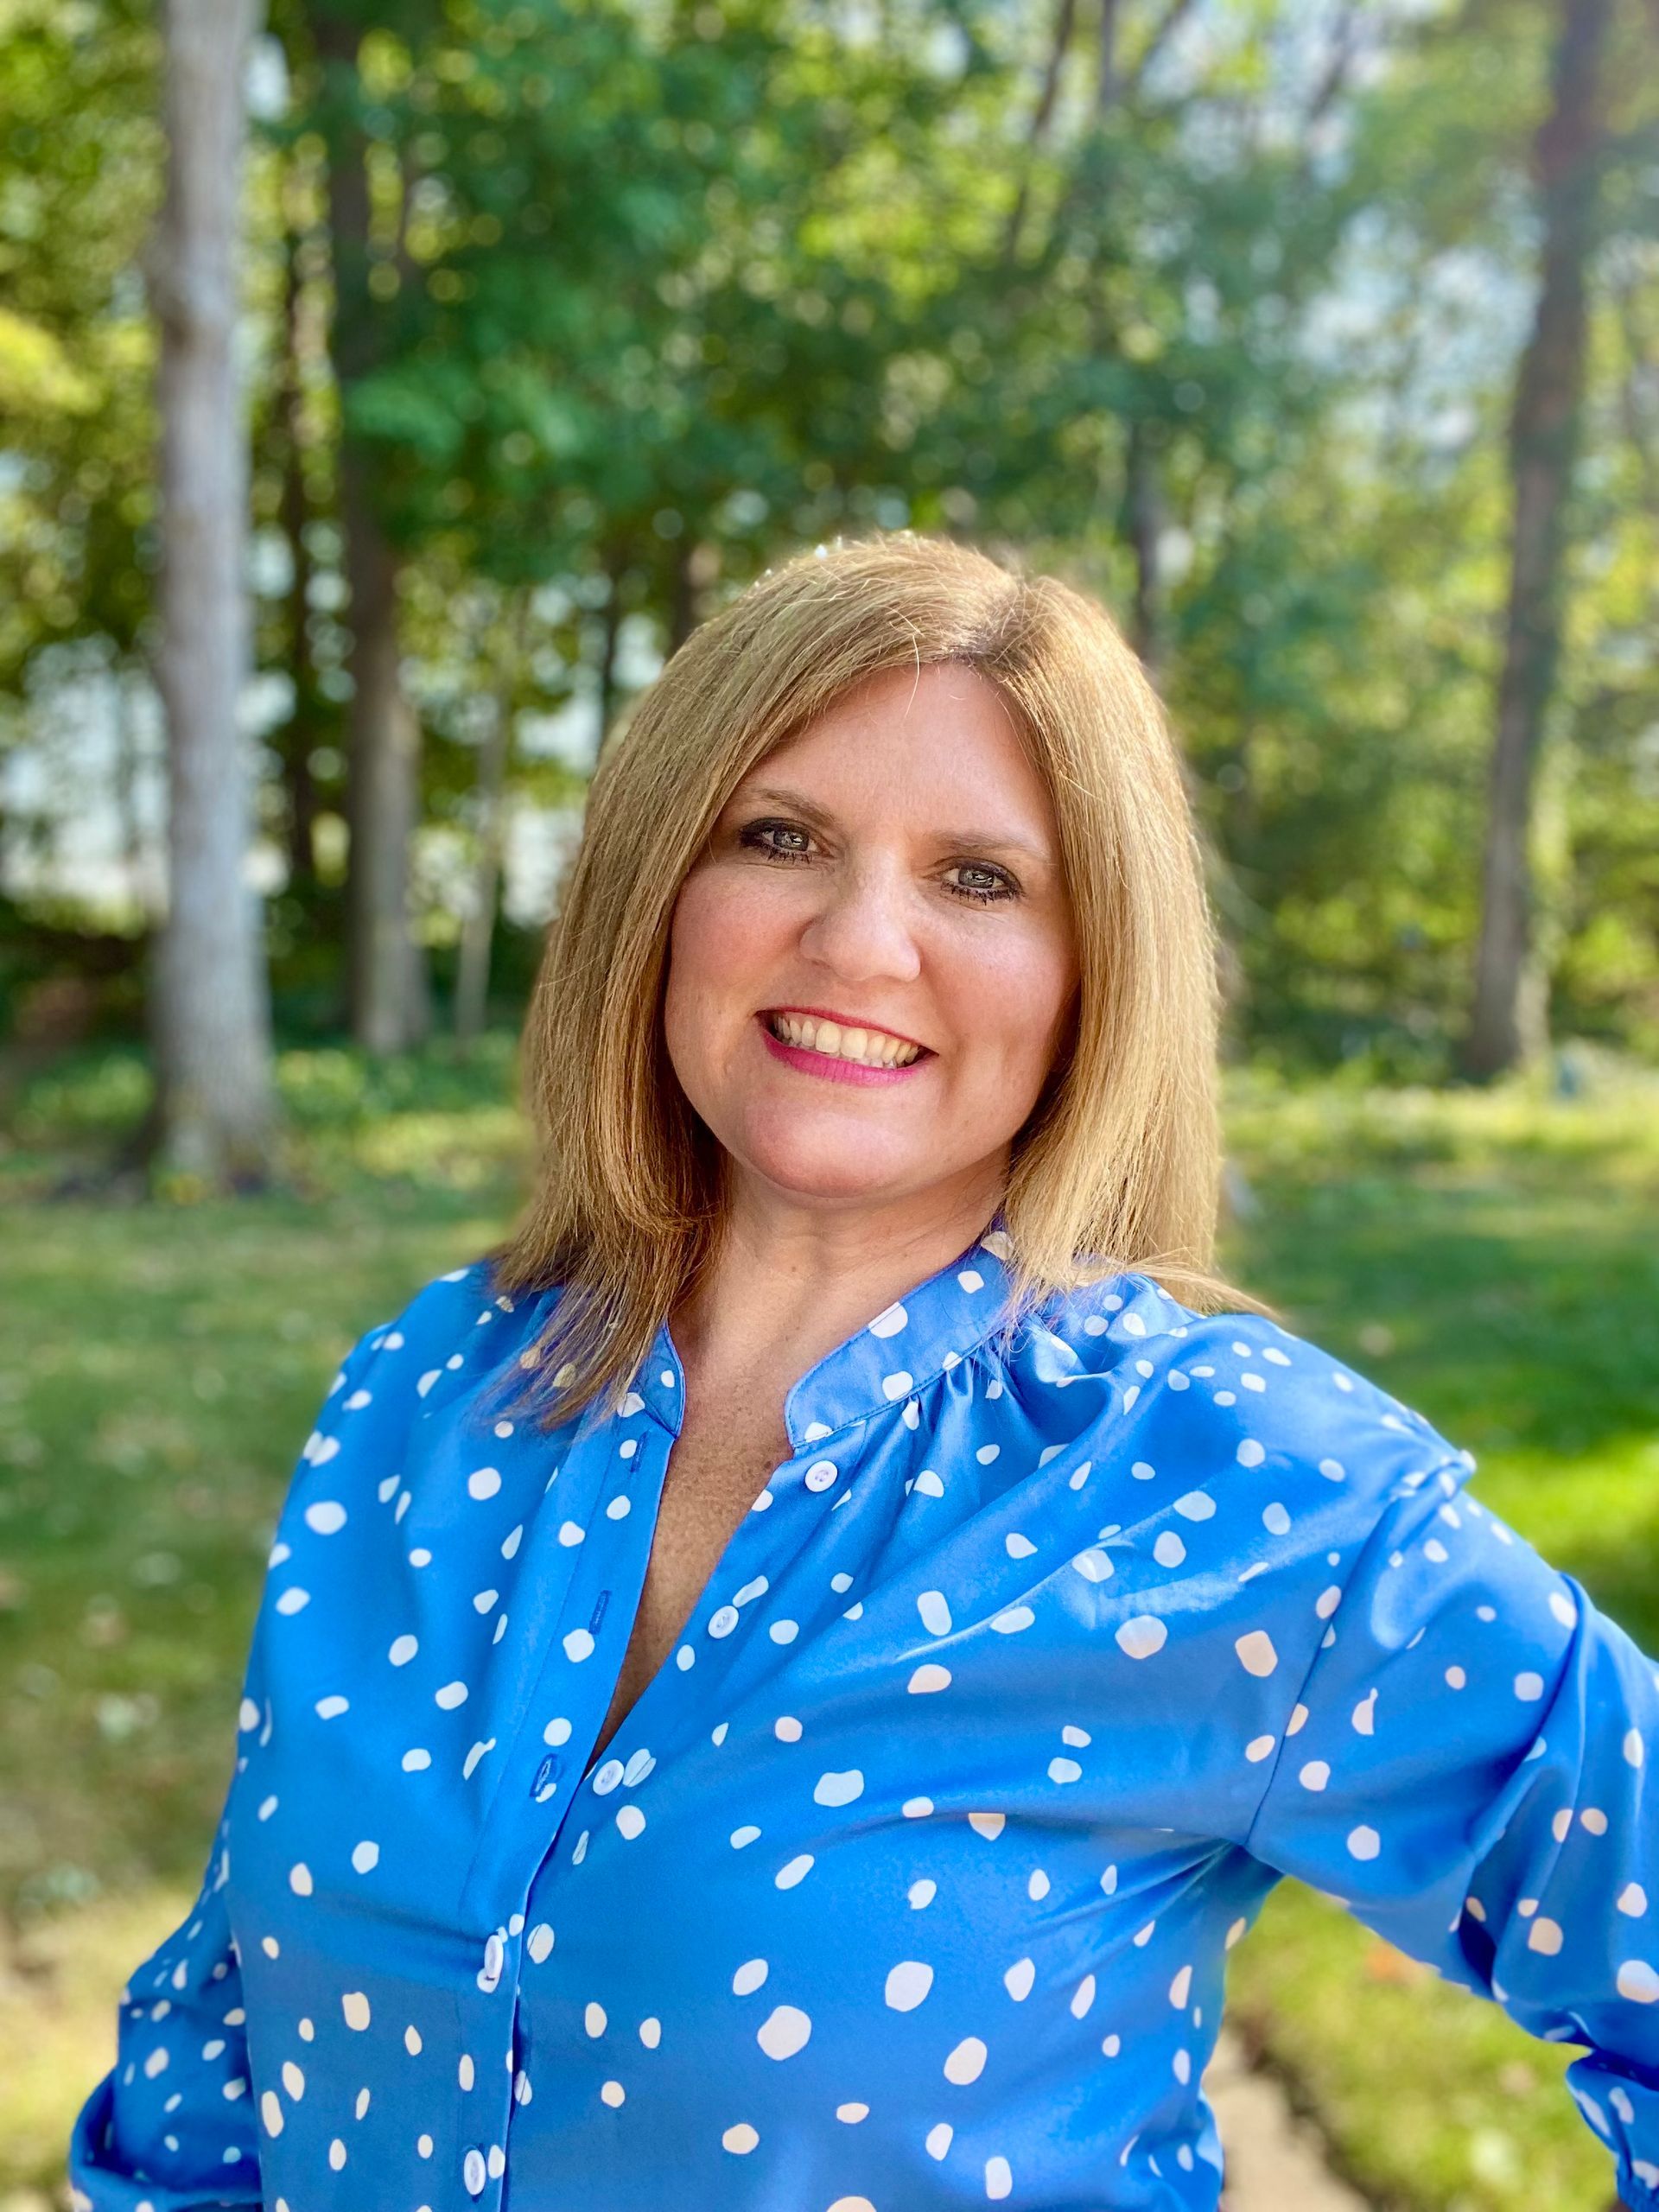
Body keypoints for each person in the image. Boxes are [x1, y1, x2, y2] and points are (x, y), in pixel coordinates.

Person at [68, 533, 1656, 2212]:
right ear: (659, 885)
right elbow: (222, 2042)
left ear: (1089, 968)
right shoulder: (422, 1393)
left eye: (979, 876)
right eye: (782, 835)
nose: (858, 937)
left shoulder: (1223, 1480)